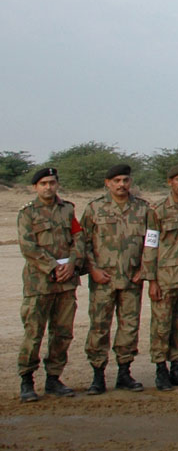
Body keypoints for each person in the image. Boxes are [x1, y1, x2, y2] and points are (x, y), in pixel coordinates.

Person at [80, 162, 150, 395]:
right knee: (99, 327)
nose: (122, 185)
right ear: (107, 184)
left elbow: (151, 243)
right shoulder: (94, 209)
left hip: (132, 279)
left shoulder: (143, 209)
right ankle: (98, 375)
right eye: (117, 181)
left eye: (125, 180)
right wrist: (93, 269)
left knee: (129, 327)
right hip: (104, 279)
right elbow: (83, 243)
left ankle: (124, 373)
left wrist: (145, 269)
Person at [17, 166, 83, 402]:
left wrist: (73, 263)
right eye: (43, 183)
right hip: (40, 284)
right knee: (33, 333)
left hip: (66, 284)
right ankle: (27, 380)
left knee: (62, 333)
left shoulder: (68, 210)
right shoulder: (28, 213)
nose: (48, 187)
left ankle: (54, 378)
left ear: (57, 185)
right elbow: (28, 247)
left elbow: (78, 238)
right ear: (35, 187)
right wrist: (53, 267)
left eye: (52, 183)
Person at [142, 163, 178, 390]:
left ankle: (177, 367)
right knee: (162, 325)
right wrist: (152, 280)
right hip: (165, 279)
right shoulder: (156, 211)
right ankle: (160, 370)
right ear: (170, 182)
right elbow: (150, 245)